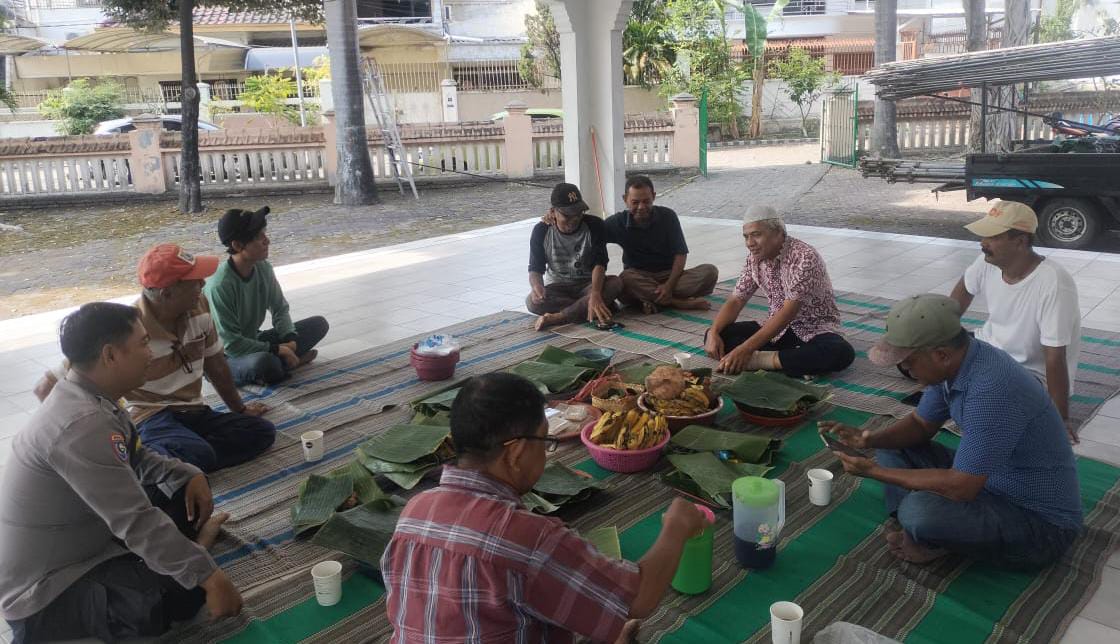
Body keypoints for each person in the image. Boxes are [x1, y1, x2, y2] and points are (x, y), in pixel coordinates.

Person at [382, 372, 707, 643]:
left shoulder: (415, 510)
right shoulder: (528, 538)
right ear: (517, 452)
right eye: (545, 442)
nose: (546, 453)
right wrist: (676, 526)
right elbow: (638, 599)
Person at [1, 302, 242, 643]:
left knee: (177, 494)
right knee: (176, 595)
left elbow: (138, 460)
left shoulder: (93, 397)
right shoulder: (81, 425)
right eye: (143, 343)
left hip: (89, 535)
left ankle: (188, 551)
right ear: (110, 355)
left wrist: (189, 473)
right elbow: (135, 520)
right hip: (49, 590)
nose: (151, 353)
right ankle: (198, 548)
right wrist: (211, 577)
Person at [822, 294, 1082, 569]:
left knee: (918, 510)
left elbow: (962, 487)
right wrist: (869, 439)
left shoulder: (991, 391)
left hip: (1039, 524)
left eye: (909, 362)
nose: (905, 370)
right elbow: (921, 426)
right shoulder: (957, 363)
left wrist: (873, 471)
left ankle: (928, 532)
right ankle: (925, 530)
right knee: (891, 447)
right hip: (988, 479)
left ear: (941, 354)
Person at [35, 244, 276, 473]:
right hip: (150, 417)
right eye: (195, 281)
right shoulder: (125, 327)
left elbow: (218, 366)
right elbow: (45, 387)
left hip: (193, 411)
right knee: (198, 453)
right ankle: (167, 460)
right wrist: (85, 444)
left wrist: (240, 409)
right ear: (167, 292)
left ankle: (176, 462)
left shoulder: (199, 306)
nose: (203, 284)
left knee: (260, 431)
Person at [949, 200, 1081, 441]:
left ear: (1020, 241)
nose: (983, 244)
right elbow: (958, 299)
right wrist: (939, 339)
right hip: (987, 351)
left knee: (990, 400)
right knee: (919, 359)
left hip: (1029, 373)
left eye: (991, 237)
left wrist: (1059, 419)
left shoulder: (1054, 283)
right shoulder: (987, 262)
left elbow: (1054, 356)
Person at [705, 205, 854, 376]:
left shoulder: (804, 257)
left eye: (756, 235)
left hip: (814, 328)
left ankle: (758, 360)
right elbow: (737, 299)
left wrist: (745, 349)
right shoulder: (754, 259)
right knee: (718, 337)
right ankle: (785, 360)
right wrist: (714, 331)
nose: (749, 243)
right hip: (775, 329)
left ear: (778, 232)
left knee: (840, 352)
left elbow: (788, 312)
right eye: (746, 237)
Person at [205, 207, 330, 386]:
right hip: (224, 356)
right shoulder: (220, 285)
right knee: (264, 362)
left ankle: (282, 364)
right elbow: (231, 345)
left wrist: (290, 340)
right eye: (258, 237)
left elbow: (279, 308)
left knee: (318, 324)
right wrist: (278, 349)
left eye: (265, 233)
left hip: (253, 341)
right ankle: (282, 365)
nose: (267, 241)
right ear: (238, 246)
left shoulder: (263, 268)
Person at [528, 182, 623, 331]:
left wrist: (596, 293)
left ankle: (560, 317)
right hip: (558, 287)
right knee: (532, 302)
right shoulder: (541, 231)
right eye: (567, 215)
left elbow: (600, 263)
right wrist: (537, 287)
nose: (574, 219)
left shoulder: (594, 225)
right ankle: (590, 306)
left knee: (616, 283)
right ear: (553, 212)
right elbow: (535, 268)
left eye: (579, 213)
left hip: (588, 285)